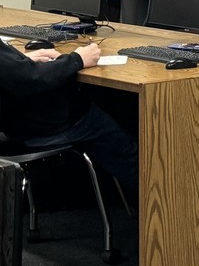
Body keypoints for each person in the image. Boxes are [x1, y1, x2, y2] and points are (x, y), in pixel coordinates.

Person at [0, 40, 139, 198]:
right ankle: (154, 203)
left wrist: (19, 60)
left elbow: (13, 71)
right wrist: (78, 59)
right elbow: (30, 79)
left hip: (13, 124)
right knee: (112, 118)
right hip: (37, 128)